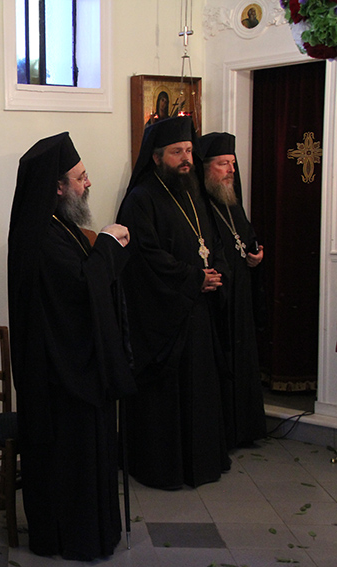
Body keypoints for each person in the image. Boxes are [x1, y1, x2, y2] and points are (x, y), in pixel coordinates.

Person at [7, 133, 136, 560]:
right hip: (60, 379)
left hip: (79, 370)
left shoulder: (62, 228)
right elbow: (79, 291)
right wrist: (108, 245)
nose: (89, 183)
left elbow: (89, 281)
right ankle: (72, 538)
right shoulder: (41, 236)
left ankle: (94, 531)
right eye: (80, 178)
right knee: (69, 462)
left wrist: (106, 249)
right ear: (58, 187)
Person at [116, 116, 230, 489]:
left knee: (201, 389)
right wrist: (194, 278)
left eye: (189, 151)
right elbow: (145, 257)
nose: (185, 159)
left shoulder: (194, 191)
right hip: (165, 318)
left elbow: (211, 240)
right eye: (177, 152)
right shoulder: (141, 199)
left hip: (198, 309)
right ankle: (165, 468)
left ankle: (202, 462)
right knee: (170, 396)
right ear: (156, 157)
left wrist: (215, 271)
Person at [200, 132, 267, 447]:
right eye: (223, 164)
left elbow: (246, 238)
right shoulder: (201, 207)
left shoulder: (232, 201)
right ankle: (227, 433)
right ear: (206, 168)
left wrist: (256, 256)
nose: (230, 171)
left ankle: (247, 430)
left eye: (233, 164)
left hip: (241, 295)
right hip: (220, 298)